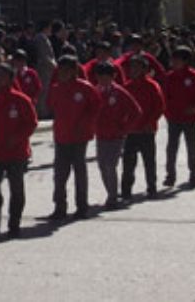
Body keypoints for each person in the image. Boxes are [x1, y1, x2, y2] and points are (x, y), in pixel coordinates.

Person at [46, 55, 102, 220]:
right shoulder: (56, 88)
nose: (62, 74)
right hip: (62, 135)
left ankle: (82, 206)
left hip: (79, 136)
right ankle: (59, 206)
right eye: (60, 70)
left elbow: (96, 107)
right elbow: (51, 106)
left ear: (74, 71)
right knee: (60, 173)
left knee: (79, 171)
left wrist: (85, 123)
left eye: (66, 70)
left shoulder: (85, 88)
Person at [0, 63, 38, 237]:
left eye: (2, 76)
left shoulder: (21, 100)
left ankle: (14, 223)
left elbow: (31, 123)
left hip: (16, 153)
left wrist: (17, 138)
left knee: (16, 189)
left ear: (10, 78)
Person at [93, 61, 141, 209]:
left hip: (116, 136)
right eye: (100, 77)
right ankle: (111, 192)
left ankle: (113, 197)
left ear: (113, 76)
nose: (103, 80)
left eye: (106, 76)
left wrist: (125, 128)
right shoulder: (94, 92)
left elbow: (136, 111)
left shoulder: (119, 92)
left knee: (110, 165)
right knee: (102, 165)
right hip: (100, 134)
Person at [163, 46, 195, 187]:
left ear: (185, 61)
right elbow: (164, 97)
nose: (174, 62)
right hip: (173, 118)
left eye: (177, 59)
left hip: (190, 118)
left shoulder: (194, 76)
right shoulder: (169, 77)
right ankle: (170, 175)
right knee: (171, 147)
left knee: (191, 146)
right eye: (173, 59)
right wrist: (167, 112)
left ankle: (194, 174)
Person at [121, 54, 165, 198]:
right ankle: (126, 189)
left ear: (144, 69)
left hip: (147, 130)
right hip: (131, 130)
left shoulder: (152, 86)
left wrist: (150, 122)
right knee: (128, 162)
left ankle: (151, 187)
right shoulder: (127, 87)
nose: (134, 70)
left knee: (149, 161)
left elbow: (159, 107)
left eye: (137, 67)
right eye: (132, 67)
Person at [33, 21, 56, 118]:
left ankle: (44, 110)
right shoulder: (41, 38)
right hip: (44, 69)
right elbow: (45, 56)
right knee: (43, 90)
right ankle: (42, 111)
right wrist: (54, 66)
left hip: (46, 68)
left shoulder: (42, 38)